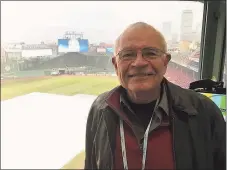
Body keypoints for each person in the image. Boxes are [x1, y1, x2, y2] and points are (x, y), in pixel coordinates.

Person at [84, 22, 226, 170]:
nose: (138, 62)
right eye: (127, 54)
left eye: (150, 53)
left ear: (165, 62)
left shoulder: (205, 112)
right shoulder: (99, 109)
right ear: (115, 64)